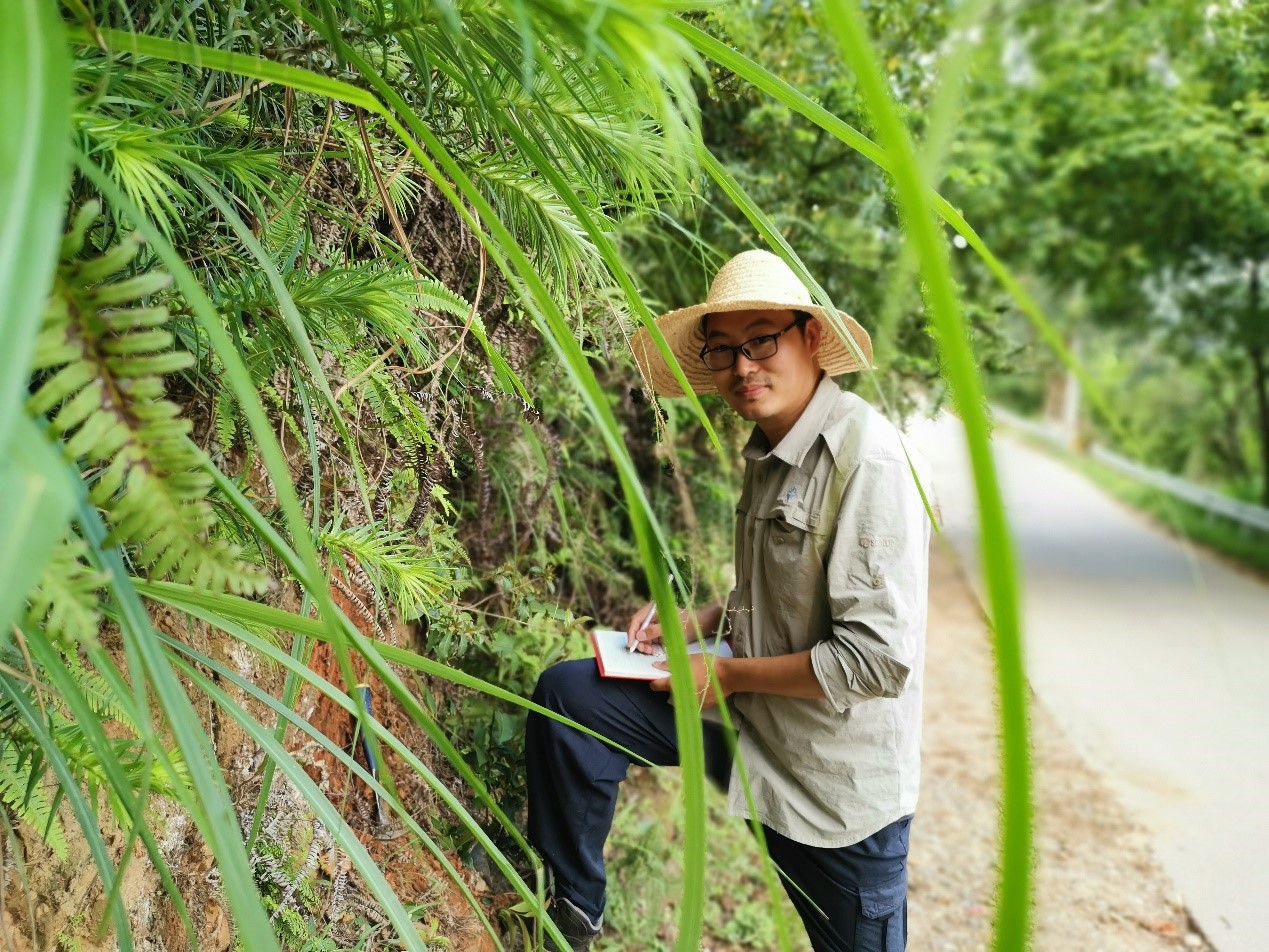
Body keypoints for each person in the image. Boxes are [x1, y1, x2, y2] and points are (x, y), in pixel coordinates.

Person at [524, 249, 932, 951]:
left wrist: (730, 674)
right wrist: (700, 620)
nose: (743, 367)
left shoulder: (867, 460)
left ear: (809, 338)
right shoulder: (771, 446)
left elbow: (874, 662)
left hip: (832, 788)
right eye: (723, 350)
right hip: (747, 723)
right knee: (570, 698)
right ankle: (573, 910)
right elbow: (782, 583)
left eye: (762, 341)